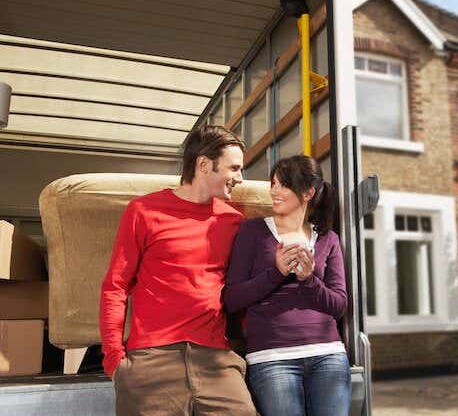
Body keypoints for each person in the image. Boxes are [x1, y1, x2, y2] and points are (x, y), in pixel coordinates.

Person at [99, 125, 256, 416]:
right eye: (234, 168)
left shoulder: (234, 222)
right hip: (151, 359)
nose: (240, 177)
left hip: (215, 359)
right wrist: (114, 361)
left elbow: (241, 290)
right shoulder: (143, 212)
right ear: (204, 164)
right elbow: (115, 286)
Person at [224, 155, 351, 416]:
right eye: (273, 183)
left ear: (308, 193)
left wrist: (309, 280)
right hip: (272, 359)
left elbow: (338, 305)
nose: (273, 191)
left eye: (283, 185)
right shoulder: (253, 231)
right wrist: (277, 272)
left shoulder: (328, 239)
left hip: (328, 355)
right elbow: (232, 298)